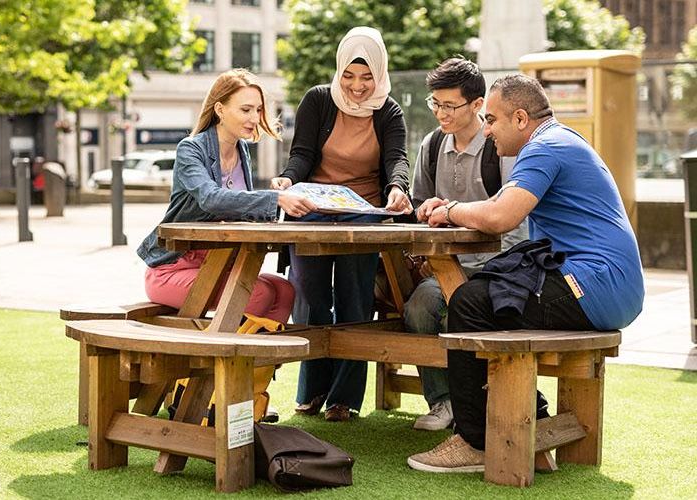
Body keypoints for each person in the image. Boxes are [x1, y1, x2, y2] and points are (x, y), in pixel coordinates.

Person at [407, 74, 644, 472]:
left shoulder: (545, 147)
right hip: (608, 286)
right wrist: (455, 208)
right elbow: (502, 203)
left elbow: (500, 215)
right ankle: (532, 419)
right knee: (491, 299)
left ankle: (474, 442)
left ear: (520, 118)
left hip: (592, 286)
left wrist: (448, 211)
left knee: (468, 303)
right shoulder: (562, 140)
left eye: (492, 121)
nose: (487, 130)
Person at [270, 27, 412, 422]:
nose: (357, 86)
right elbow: (301, 153)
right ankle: (312, 389)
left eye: (367, 77)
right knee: (311, 298)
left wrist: (398, 188)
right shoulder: (318, 99)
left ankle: (344, 397)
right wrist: (287, 178)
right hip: (312, 208)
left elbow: (396, 159)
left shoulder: (389, 110)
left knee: (354, 301)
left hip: (363, 212)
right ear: (338, 70)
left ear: (380, 73)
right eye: (349, 75)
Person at [137, 68, 316, 326]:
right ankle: (230, 361)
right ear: (220, 110)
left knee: (285, 289)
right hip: (174, 268)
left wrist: (279, 195)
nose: (255, 117)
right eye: (246, 110)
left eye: (258, 110)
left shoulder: (241, 150)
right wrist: (273, 199)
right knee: (259, 294)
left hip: (220, 264)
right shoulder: (191, 149)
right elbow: (211, 199)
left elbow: (238, 207)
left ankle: (260, 367)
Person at [404, 57, 527, 431]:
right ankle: (443, 402)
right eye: (435, 104)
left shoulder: (499, 148)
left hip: (497, 266)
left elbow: (515, 225)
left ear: (477, 105)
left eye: (450, 105)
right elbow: (419, 207)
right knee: (420, 306)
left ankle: (483, 401)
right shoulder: (431, 145)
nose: (441, 113)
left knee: (464, 307)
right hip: (445, 265)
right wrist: (421, 215)